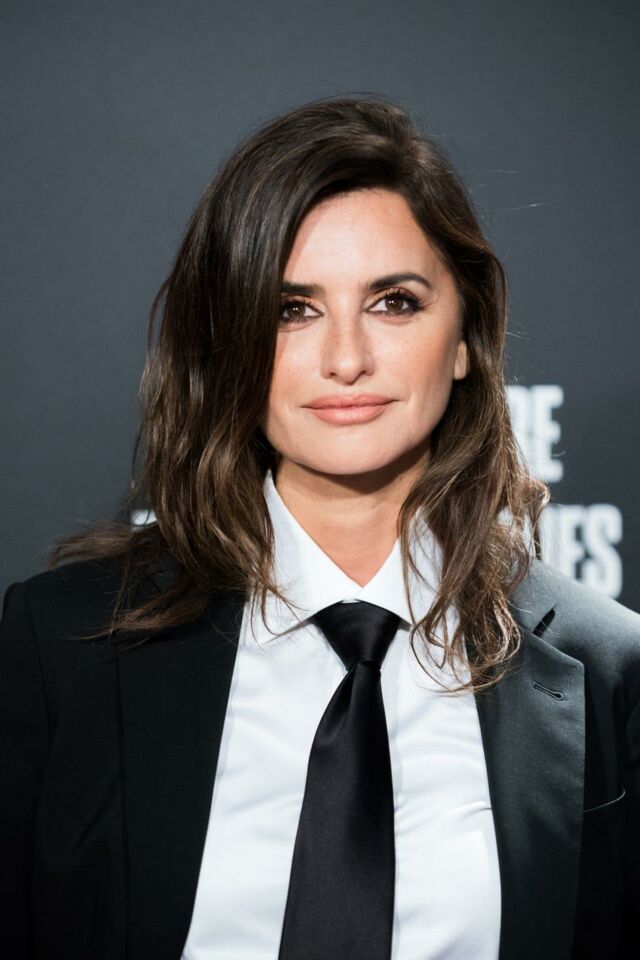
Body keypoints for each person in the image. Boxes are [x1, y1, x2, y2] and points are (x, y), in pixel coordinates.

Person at [1, 95, 638, 960]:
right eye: (291, 309)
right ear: (227, 340)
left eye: (394, 302)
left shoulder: (608, 671)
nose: (346, 359)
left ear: (465, 336)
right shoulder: (63, 647)